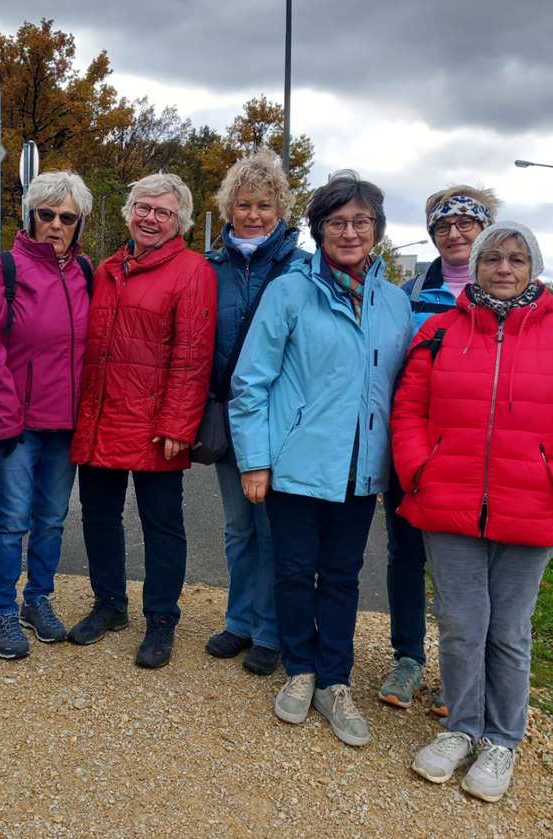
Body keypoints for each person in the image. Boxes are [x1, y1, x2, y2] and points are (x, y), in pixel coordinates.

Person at [392, 221, 553, 802]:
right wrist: (421, 469)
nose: (505, 268)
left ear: (534, 268)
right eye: (494, 258)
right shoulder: (440, 330)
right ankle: (462, 729)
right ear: (479, 264)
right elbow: (409, 407)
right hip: (451, 501)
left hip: (531, 503)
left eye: (517, 258)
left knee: (510, 632)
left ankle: (502, 739)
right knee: (463, 627)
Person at [230, 170, 413, 746]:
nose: (350, 232)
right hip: (296, 464)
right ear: (319, 229)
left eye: (361, 221)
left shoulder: (395, 303)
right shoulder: (289, 290)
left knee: (341, 576)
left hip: (361, 471)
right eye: (337, 222)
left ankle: (335, 681)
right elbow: (250, 382)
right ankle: (300, 669)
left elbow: (401, 388)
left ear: (377, 230)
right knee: (291, 570)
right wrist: (255, 461)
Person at [68, 173, 217, 669]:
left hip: (155, 423)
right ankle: (109, 603)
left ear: (181, 222)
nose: (150, 218)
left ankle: (160, 617)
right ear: (130, 211)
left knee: (162, 524)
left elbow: (194, 355)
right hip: (104, 416)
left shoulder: (192, 270)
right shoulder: (108, 268)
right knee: (99, 516)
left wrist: (179, 423)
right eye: (143, 208)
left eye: (163, 212)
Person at [378, 185, 501, 716]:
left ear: (485, 229)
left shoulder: (506, 289)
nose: (453, 234)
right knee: (405, 554)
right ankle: (408, 657)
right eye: (442, 227)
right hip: (413, 445)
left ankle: (464, 671)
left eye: (465, 224)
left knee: (468, 568)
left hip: (483, 457)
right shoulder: (407, 293)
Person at [0, 171, 93, 660]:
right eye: (47, 214)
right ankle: (3, 606)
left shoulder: (87, 272)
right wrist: (6, 418)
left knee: (51, 519)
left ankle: (37, 600)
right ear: (30, 216)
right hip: (18, 426)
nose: (56, 225)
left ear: (78, 224)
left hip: (65, 426)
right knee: (11, 521)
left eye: (67, 217)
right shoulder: (1, 269)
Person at [203, 149, 310, 676]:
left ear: (281, 209)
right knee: (238, 525)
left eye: (264, 205)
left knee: (273, 528)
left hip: (281, 418)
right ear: (229, 208)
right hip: (229, 414)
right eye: (243, 204)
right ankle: (239, 619)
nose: (253, 215)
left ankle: (271, 629)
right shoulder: (211, 266)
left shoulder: (302, 268)